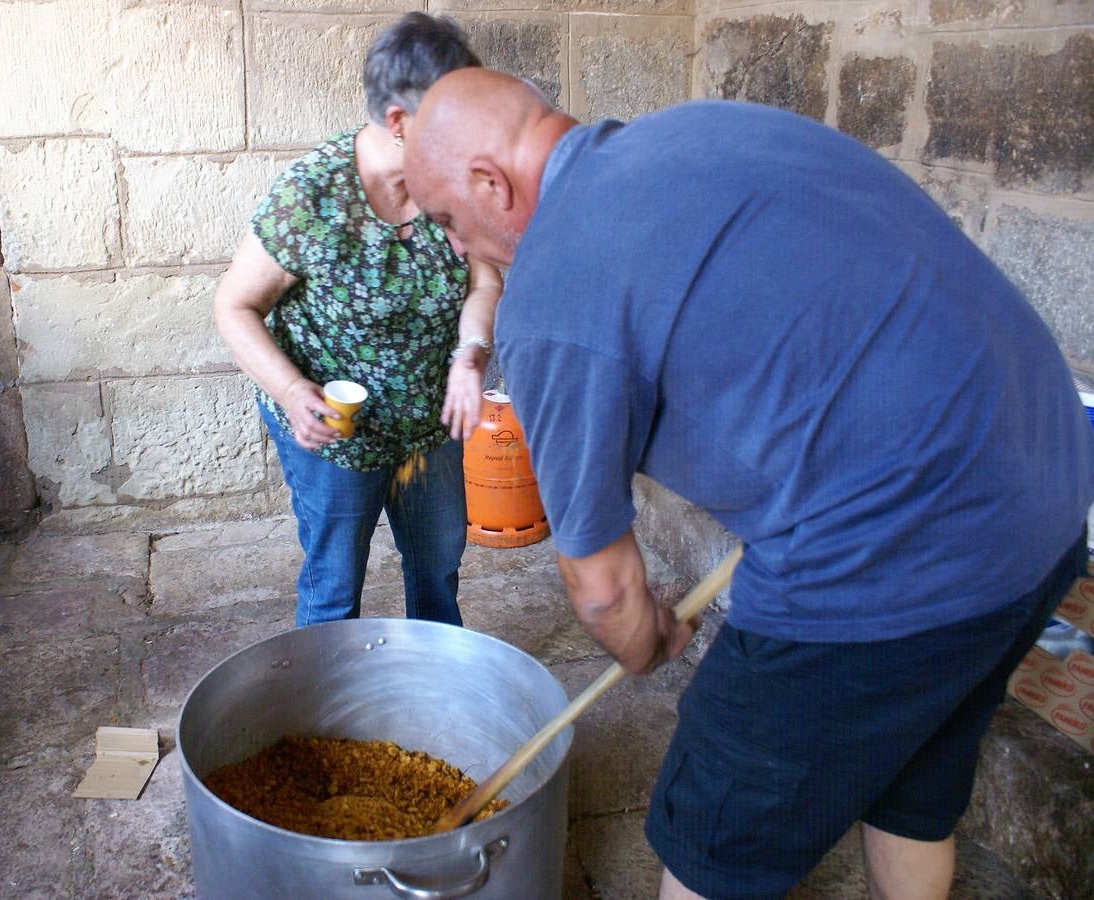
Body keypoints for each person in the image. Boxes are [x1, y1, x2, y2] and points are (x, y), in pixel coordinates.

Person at [403, 69, 1094, 900]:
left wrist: (647, 636)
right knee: (912, 780)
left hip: (888, 548)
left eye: (446, 219)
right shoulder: (703, 127)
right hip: (1048, 494)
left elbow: (601, 591)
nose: (453, 244)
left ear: (490, 182)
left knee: (714, 840)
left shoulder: (554, 287)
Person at [214, 13, 501, 628]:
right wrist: (291, 393)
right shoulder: (311, 196)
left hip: (430, 422)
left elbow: (485, 279)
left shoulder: (455, 183)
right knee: (335, 585)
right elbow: (234, 306)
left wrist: (470, 355)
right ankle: (322, 713)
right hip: (335, 433)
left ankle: (432, 691)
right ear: (400, 122)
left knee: (437, 567)